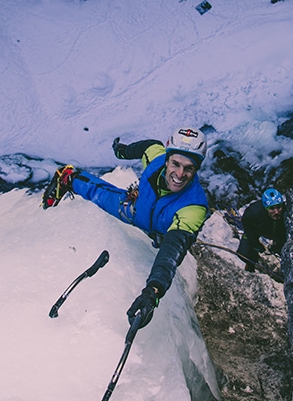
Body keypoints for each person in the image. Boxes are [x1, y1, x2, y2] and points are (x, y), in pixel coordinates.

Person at [41, 127, 209, 328]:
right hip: (136, 211)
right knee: (100, 194)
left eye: (189, 168)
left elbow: (172, 250)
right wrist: (122, 151)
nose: (180, 174)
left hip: (160, 231)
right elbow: (149, 146)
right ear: (167, 159)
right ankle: (68, 178)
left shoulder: (194, 207)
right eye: (176, 164)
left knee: (104, 196)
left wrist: (153, 291)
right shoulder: (155, 161)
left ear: (196, 169)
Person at [236, 187, 286, 272]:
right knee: (243, 253)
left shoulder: (287, 211)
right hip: (257, 230)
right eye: (272, 208)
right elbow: (249, 229)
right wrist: (256, 245)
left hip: (278, 233)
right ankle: (252, 266)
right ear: (265, 208)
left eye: (278, 207)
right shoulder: (252, 213)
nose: (276, 212)